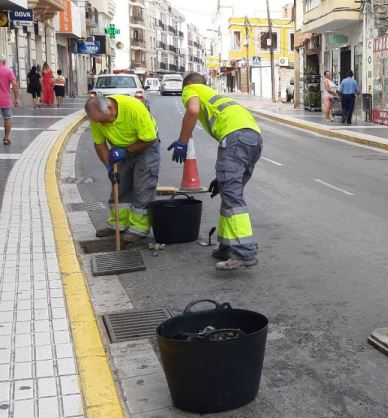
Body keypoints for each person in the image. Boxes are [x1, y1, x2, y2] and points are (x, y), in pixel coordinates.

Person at [170, 72, 262, 270]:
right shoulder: (214, 95)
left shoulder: (190, 89)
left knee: (232, 197)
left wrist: (182, 141)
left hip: (235, 138)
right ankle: (227, 246)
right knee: (229, 193)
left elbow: (193, 111)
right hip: (254, 138)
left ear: (186, 85)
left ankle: (244, 252)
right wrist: (222, 178)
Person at [85, 95, 160, 242]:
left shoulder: (134, 109)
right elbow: (99, 144)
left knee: (142, 186)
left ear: (111, 108)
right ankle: (118, 225)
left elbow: (149, 139)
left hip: (145, 145)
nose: (102, 124)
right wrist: (109, 168)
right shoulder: (96, 117)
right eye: (99, 122)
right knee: (119, 184)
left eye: (105, 121)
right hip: (119, 147)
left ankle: (139, 229)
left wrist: (125, 152)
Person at [0, 53, 19, 145]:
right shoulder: (8, 71)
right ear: (4, 61)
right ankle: (6, 139)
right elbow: (15, 85)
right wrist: (17, 98)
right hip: (5, 100)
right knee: (7, 118)